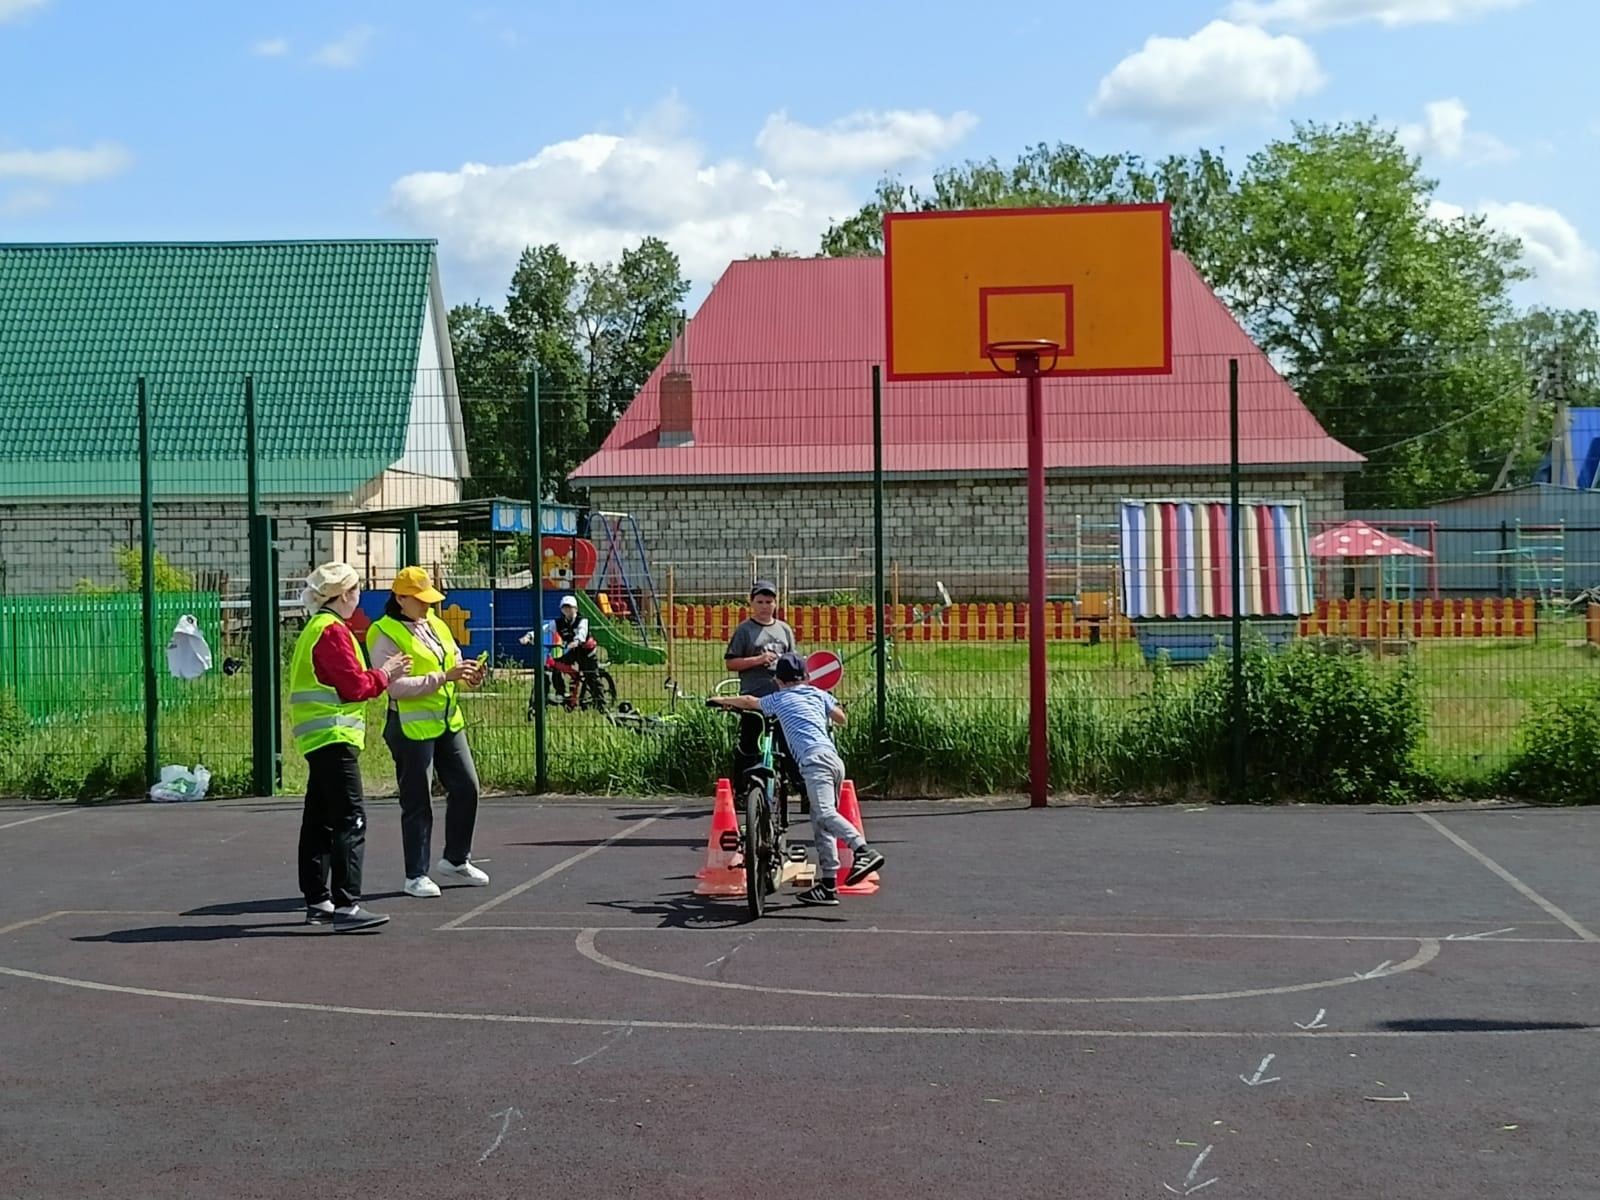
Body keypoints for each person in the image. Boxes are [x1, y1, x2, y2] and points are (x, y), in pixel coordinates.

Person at [709, 652, 885, 907]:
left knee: (825, 814)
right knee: (820, 822)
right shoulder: (817, 694)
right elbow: (841, 718)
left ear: (778, 681)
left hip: (814, 761)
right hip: (834, 761)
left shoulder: (779, 699)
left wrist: (721, 700)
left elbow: (749, 701)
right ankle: (827, 885)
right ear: (807, 677)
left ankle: (863, 850)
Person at [289, 562, 408, 932]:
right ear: (344, 595)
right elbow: (353, 687)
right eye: (356, 589)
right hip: (334, 735)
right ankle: (347, 905)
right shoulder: (332, 632)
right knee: (350, 819)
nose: (359, 596)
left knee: (319, 821)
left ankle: (318, 901)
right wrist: (385, 674)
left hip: (318, 736)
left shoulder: (315, 628)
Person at [366, 566, 490, 899]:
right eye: (419, 600)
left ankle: (456, 859)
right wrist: (444, 678)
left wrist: (469, 674)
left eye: (428, 599)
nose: (426, 606)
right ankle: (415, 874)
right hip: (409, 727)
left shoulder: (435, 623)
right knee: (417, 801)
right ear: (400, 598)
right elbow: (393, 687)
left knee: (467, 787)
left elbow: (454, 660)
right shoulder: (383, 632)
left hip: (448, 721)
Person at [722, 580, 796, 787]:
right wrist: (757, 660)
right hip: (754, 696)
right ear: (752, 603)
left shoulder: (784, 630)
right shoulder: (745, 631)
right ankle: (743, 789)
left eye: (769, 601)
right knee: (749, 743)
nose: (765, 606)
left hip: (782, 696)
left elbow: (793, 661)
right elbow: (731, 662)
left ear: (776, 604)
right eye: (760, 601)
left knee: (789, 742)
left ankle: (796, 785)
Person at [552, 594, 603, 710]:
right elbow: (545, 629)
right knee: (555, 665)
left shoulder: (582, 620)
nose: (567, 610)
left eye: (569, 607)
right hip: (571, 650)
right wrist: (530, 636)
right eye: (564, 608)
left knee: (592, 677)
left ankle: (602, 705)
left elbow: (582, 632)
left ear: (575, 609)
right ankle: (561, 693)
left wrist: (577, 640)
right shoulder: (558, 623)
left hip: (586, 651)